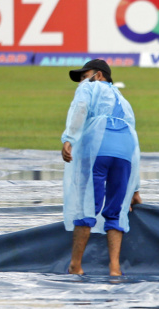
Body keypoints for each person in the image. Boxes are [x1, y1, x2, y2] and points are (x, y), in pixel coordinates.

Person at [61, 59, 141, 276]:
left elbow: (80, 108)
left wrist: (69, 138)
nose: (81, 81)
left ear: (98, 75)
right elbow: (135, 141)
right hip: (125, 152)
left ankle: (75, 265)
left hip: (98, 148)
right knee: (116, 211)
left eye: (83, 75)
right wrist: (135, 188)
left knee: (87, 206)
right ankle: (114, 268)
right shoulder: (124, 101)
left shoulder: (89, 87)